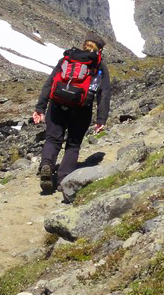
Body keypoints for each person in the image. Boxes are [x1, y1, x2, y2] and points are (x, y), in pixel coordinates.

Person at [33, 32, 111, 194]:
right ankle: (63, 180)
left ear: (84, 44)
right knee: (73, 145)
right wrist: (101, 118)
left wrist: (40, 108)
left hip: (57, 105)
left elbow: (50, 83)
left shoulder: (67, 59)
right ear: (100, 49)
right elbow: (104, 93)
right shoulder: (98, 65)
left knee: (52, 139)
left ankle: (47, 165)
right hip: (81, 109)